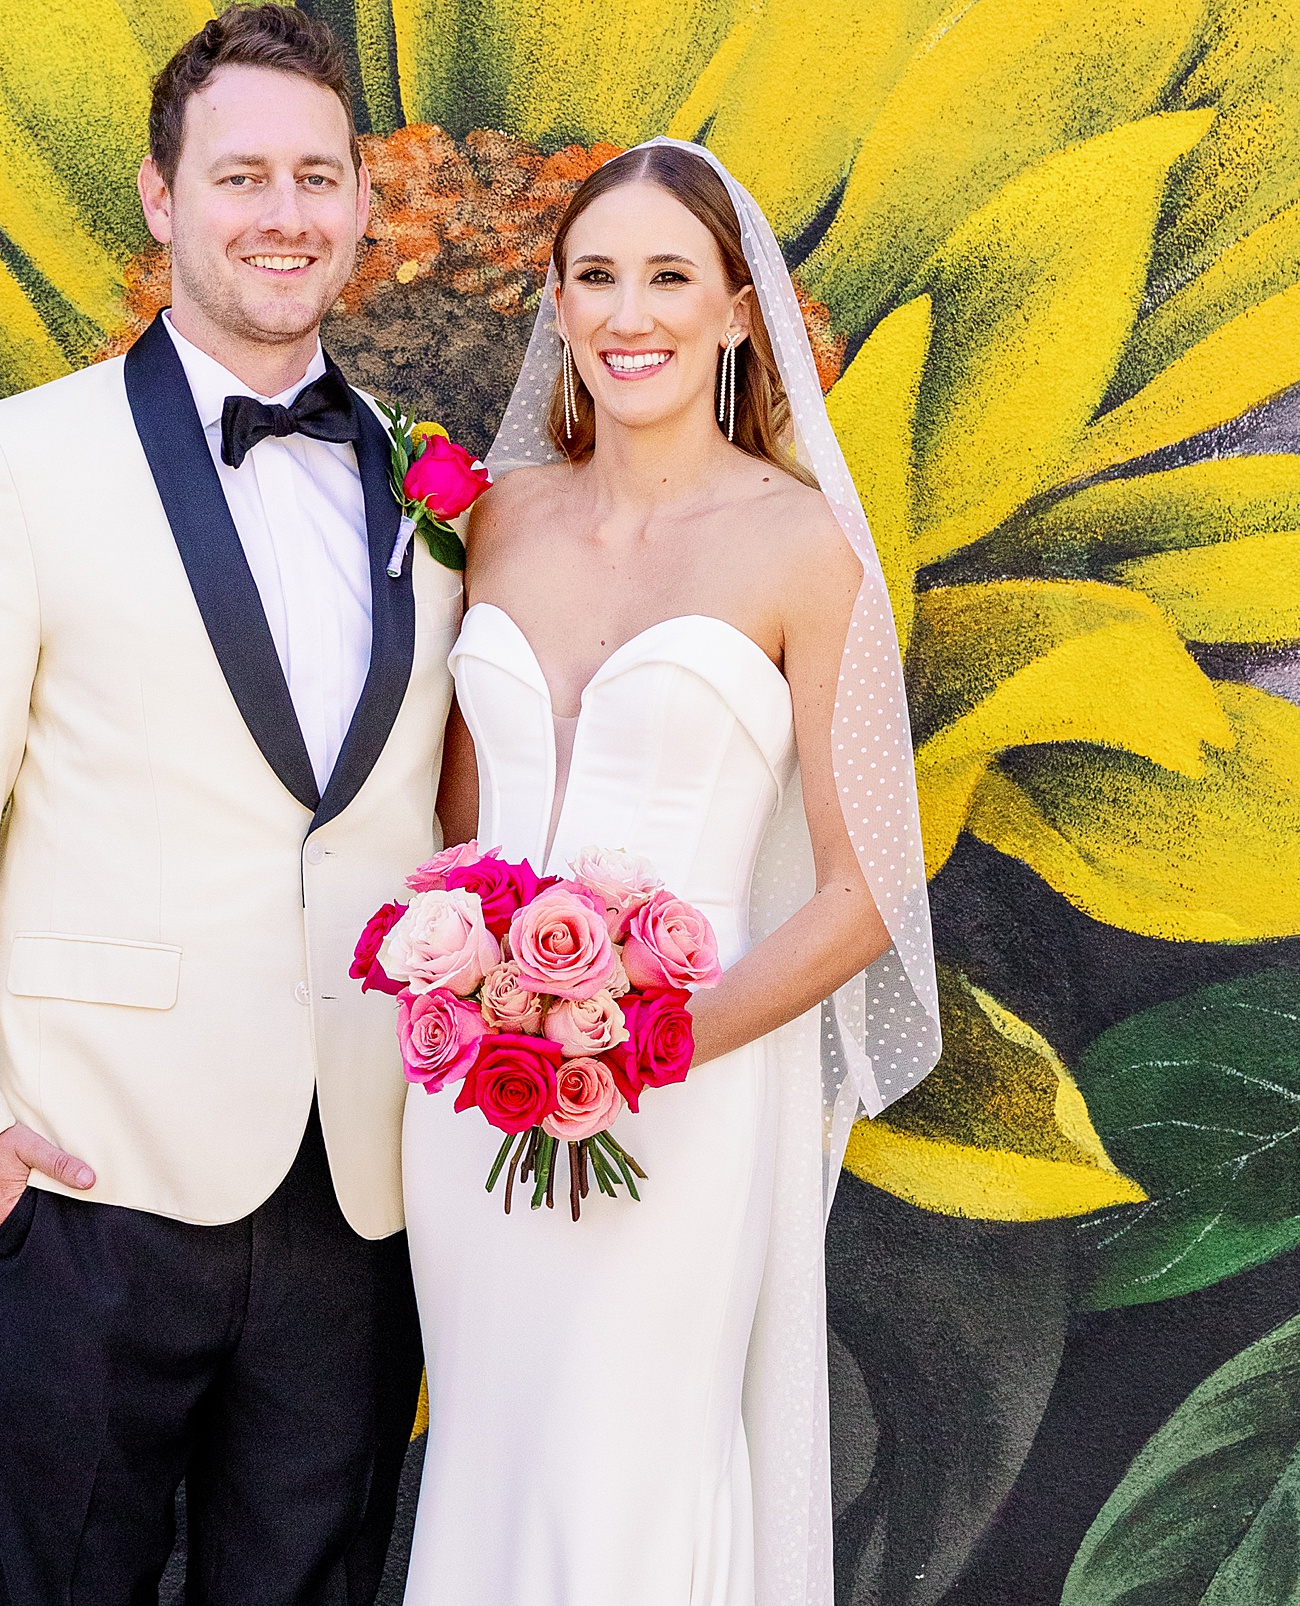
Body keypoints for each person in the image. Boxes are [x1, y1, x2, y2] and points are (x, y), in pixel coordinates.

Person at [0, 3, 463, 1606]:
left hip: (356, 1176)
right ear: (161, 195)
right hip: (88, 1176)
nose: (284, 213)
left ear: (360, 205)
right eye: (242, 173)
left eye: (318, 176)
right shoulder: (21, 462)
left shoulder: (428, 485)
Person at [401, 139, 941, 1606]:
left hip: (682, 1094)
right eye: (594, 276)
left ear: (737, 311)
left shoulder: (801, 545)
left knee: (628, 1465)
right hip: (473, 1097)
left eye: (667, 277)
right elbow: (454, 834)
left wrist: (645, 1038)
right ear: (558, 306)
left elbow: (863, 889)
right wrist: (478, 988)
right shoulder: (492, 519)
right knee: (493, 1455)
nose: (627, 313)